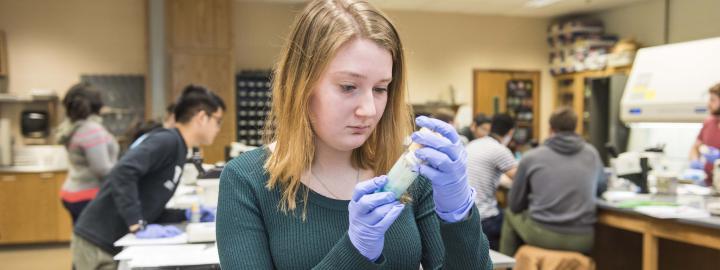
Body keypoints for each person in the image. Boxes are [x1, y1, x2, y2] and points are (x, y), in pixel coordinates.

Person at [216, 1, 491, 269]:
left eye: (381, 89)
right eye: (348, 87)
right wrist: (355, 251)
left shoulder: (410, 172)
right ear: (301, 85)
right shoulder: (246, 181)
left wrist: (458, 214)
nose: (369, 110)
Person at [71, 85, 224, 269]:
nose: (218, 129)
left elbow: (150, 204)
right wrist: (136, 223)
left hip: (110, 242)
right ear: (201, 117)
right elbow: (123, 171)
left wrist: (187, 214)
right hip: (97, 241)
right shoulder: (167, 141)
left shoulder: (180, 148)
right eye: (218, 121)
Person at [500, 107, 603, 256]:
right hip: (583, 238)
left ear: (550, 129)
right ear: (576, 128)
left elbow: (515, 205)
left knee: (509, 214)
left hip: (544, 235)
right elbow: (601, 188)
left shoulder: (531, 157)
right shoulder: (592, 154)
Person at [56, 83, 119, 225]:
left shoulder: (73, 126)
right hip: (88, 195)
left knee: (81, 239)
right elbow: (101, 169)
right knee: (92, 243)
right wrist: (126, 172)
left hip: (73, 191)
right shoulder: (91, 130)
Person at [466, 113, 517, 251]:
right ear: (510, 132)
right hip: (484, 218)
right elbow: (521, 179)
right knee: (515, 221)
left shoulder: (472, 144)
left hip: (464, 214)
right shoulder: (500, 149)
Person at [689, 82, 720, 186]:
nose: (708, 104)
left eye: (712, 100)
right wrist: (695, 161)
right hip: (708, 184)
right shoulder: (709, 122)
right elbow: (695, 147)